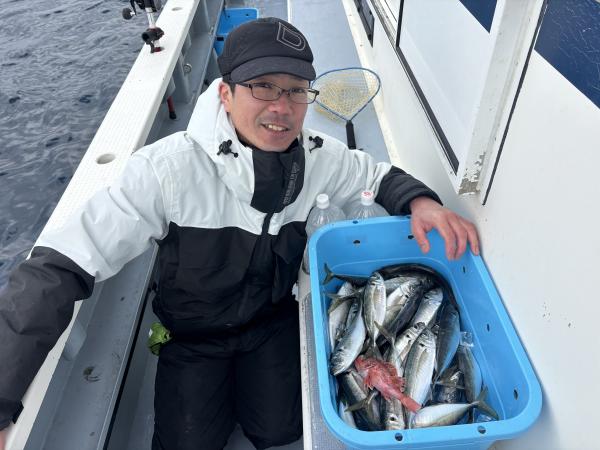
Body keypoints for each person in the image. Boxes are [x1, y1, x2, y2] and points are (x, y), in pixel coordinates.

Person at [0, 17, 479, 450]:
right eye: (262, 87)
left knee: (281, 431)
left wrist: (420, 201)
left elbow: (374, 176)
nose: (281, 107)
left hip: (271, 322)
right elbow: (60, 265)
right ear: (226, 94)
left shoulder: (321, 156)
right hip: (192, 337)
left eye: (296, 90)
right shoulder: (166, 170)